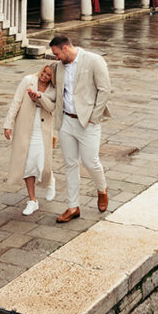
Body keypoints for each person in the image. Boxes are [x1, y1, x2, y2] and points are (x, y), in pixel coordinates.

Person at [48, 34, 111, 223]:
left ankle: (102, 189)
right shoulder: (58, 67)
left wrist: (94, 117)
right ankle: (73, 206)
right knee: (70, 164)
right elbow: (50, 85)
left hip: (87, 122)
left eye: (57, 53)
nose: (56, 57)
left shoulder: (93, 60)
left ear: (65, 48)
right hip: (66, 121)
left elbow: (105, 89)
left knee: (90, 162)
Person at [3, 63, 57, 216]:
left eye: (48, 75)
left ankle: (50, 179)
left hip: (43, 129)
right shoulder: (28, 80)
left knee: (43, 163)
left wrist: (40, 97)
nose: (44, 76)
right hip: (25, 127)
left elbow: (52, 108)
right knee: (27, 164)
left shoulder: (54, 89)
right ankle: (32, 200)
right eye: (44, 72)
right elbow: (16, 102)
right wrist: (8, 124)